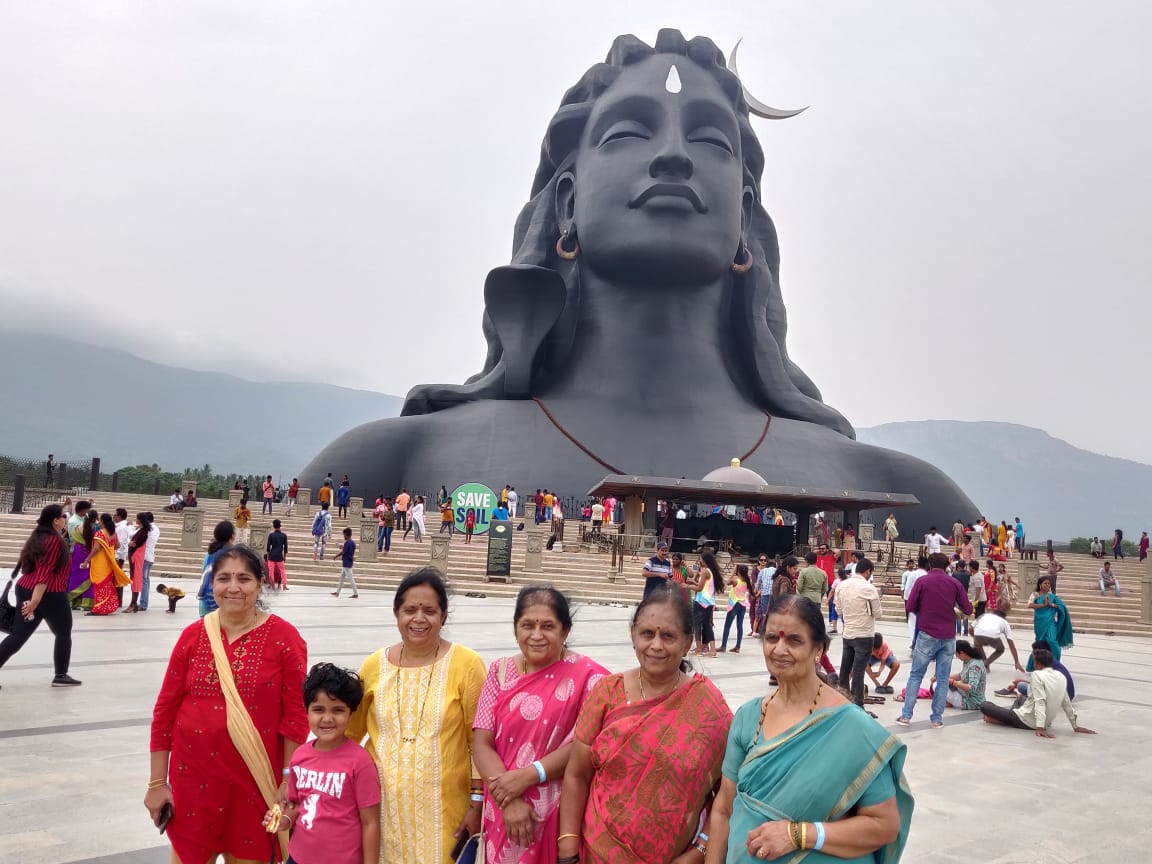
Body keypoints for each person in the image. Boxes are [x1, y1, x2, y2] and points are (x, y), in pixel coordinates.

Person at [705, 594, 912, 864]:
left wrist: (799, 835)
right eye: (771, 638)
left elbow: (884, 825)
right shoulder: (749, 717)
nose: (779, 649)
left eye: (794, 640)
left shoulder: (852, 728)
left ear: (818, 650)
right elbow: (723, 809)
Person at [146, 545, 309, 864]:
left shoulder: (285, 639)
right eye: (223, 578)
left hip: (255, 786)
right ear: (212, 584)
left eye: (244, 579)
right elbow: (164, 713)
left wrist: (288, 779)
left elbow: (295, 718)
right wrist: (156, 783)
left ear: (260, 584)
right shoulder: (193, 636)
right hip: (193, 785)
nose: (233, 587)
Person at [558, 587, 733, 864]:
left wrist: (700, 851)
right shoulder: (606, 692)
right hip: (596, 852)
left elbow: (729, 793)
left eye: (668, 636)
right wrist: (567, 848)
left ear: (687, 642)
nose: (656, 645)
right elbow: (577, 775)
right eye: (647, 633)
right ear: (633, 636)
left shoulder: (709, 707)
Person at [346, 569, 485, 863]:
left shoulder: (467, 664)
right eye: (410, 610)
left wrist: (477, 804)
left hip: (445, 814)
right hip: (379, 812)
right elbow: (349, 735)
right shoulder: (373, 665)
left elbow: (480, 742)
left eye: (429, 611)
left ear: (443, 616)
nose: (419, 619)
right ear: (396, 614)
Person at [472, 586, 608, 862]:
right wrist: (509, 801)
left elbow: (587, 744)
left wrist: (529, 775)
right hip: (503, 812)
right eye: (527, 625)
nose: (536, 635)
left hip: (561, 817)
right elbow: (481, 744)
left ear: (565, 631)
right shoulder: (500, 672)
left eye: (547, 626)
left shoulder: (591, 678)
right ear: (515, 629)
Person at [264, 663, 381, 864]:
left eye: (338, 710)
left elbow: (370, 822)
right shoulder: (299, 756)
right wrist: (283, 820)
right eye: (318, 710)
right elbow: (295, 805)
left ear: (351, 713)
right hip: (298, 858)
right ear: (307, 711)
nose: (327, 718)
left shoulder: (360, 762)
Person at [0, 504, 83, 688]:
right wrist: (35, 601)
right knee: (63, 632)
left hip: (26, 587)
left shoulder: (38, 536)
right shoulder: (53, 541)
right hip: (49, 593)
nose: (65, 519)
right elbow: (45, 571)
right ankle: (61, 675)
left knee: (18, 635)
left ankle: (61, 675)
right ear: (55, 520)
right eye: (63, 516)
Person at [897, 552, 972, 728]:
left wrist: (925, 610)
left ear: (929, 565)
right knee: (943, 678)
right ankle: (937, 719)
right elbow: (967, 609)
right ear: (947, 566)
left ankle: (906, 715)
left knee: (916, 674)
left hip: (927, 633)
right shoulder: (954, 583)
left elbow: (910, 606)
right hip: (948, 636)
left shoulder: (922, 581)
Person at [979, 648, 1096, 738]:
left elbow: (1040, 701)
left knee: (985, 705)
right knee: (1020, 698)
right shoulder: (1060, 676)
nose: (1033, 665)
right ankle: (1006, 717)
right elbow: (1066, 703)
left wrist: (1040, 728)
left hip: (1026, 721)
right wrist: (1075, 726)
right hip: (1044, 721)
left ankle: (1004, 719)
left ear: (1039, 664)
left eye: (1034, 662)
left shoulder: (1037, 675)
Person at [836, 558, 879, 711]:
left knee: (845, 670)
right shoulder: (869, 588)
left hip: (848, 633)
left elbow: (838, 610)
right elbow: (877, 613)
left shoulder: (842, 585)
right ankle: (858, 706)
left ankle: (842, 702)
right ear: (868, 571)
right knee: (858, 671)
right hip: (864, 634)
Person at [77, 512, 129, 616]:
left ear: (103, 522)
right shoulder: (113, 533)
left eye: (100, 520)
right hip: (109, 562)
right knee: (106, 584)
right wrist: (108, 550)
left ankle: (99, 608)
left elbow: (96, 548)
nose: (99, 522)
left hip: (100, 562)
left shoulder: (100, 533)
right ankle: (105, 607)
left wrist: (86, 560)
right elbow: (117, 546)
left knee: (99, 584)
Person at [1026, 576, 1073, 669]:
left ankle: (1055, 665)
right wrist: (1044, 605)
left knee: (1053, 642)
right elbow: (1030, 605)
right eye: (1045, 583)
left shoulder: (1053, 596)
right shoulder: (1035, 594)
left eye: (1048, 583)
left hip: (1051, 623)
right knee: (1040, 643)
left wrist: (1051, 604)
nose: (1047, 585)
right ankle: (1036, 665)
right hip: (1040, 623)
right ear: (1040, 585)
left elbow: (1061, 606)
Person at [65, 501, 96, 611]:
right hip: (81, 551)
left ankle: (76, 601)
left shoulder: (81, 521)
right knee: (81, 576)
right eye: (87, 509)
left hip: (80, 551)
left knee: (79, 576)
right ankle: (77, 601)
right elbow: (75, 537)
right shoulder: (74, 521)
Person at [693, 551, 724, 658]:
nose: (700, 561)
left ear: (704, 560)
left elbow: (699, 588)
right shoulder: (711, 571)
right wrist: (694, 582)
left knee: (697, 625)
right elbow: (704, 586)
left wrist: (686, 586)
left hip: (701, 601)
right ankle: (713, 650)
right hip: (709, 602)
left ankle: (699, 650)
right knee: (707, 626)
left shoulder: (705, 571)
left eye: (701, 559)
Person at [943, 640, 987, 709]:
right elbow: (960, 675)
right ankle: (951, 701)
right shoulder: (968, 661)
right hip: (964, 695)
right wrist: (942, 677)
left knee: (937, 686)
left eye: (956, 654)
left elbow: (971, 688)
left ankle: (952, 702)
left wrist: (953, 682)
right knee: (939, 683)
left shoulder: (975, 666)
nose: (956, 656)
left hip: (971, 701)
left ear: (962, 653)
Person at [719, 564, 751, 653]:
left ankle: (723, 646)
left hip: (734, 603)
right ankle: (738, 646)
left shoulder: (736, 580)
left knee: (727, 625)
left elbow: (727, 582)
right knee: (739, 625)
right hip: (742, 604)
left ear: (739, 571)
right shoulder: (747, 582)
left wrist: (733, 573)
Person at [124, 512, 151, 614]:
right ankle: (133, 604)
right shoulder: (141, 530)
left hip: (136, 558)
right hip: (135, 557)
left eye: (137, 518)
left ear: (140, 520)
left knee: (135, 579)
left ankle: (133, 603)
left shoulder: (143, 532)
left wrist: (130, 543)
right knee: (134, 579)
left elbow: (134, 544)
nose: (136, 520)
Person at [330, 527, 359, 598]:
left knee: (351, 579)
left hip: (346, 563)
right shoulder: (352, 543)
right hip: (349, 561)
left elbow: (343, 552)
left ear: (346, 534)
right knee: (342, 578)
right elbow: (347, 550)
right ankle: (337, 592)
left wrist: (336, 556)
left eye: (344, 535)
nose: (344, 536)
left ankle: (355, 593)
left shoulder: (347, 543)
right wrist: (342, 547)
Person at [267, 519, 289, 591]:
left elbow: (268, 547)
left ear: (273, 526)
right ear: (280, 526)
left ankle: (272, 584)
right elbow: (285, 547)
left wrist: (268, 556)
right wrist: (284, 556)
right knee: (282, 571)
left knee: (271, 571)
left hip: (272, 556)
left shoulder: (271, 535)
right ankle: (284, 586)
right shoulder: (284, 536)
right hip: (279, 556)